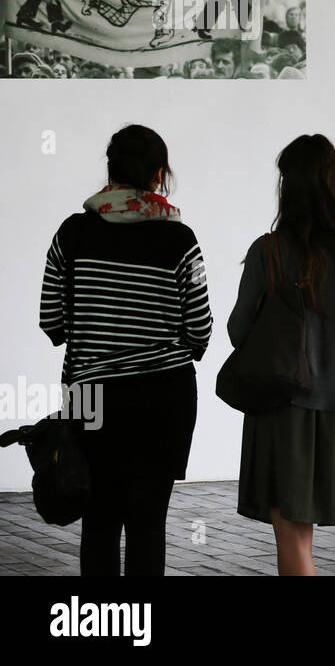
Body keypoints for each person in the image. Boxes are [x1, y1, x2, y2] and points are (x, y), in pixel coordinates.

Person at [39, 124, 212, 575]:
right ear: (158, 175)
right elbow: (199, 332)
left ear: (111, 170)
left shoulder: (72, 235)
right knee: (148, 524)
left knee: (98, 522)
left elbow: (51, 323)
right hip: (164, 399)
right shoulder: (180, 240)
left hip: (92, 399)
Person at [228, 134, 335, 576]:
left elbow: (238, 331)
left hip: (284, 410)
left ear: (288, 185)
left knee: (295, 533)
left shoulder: (267, 251)